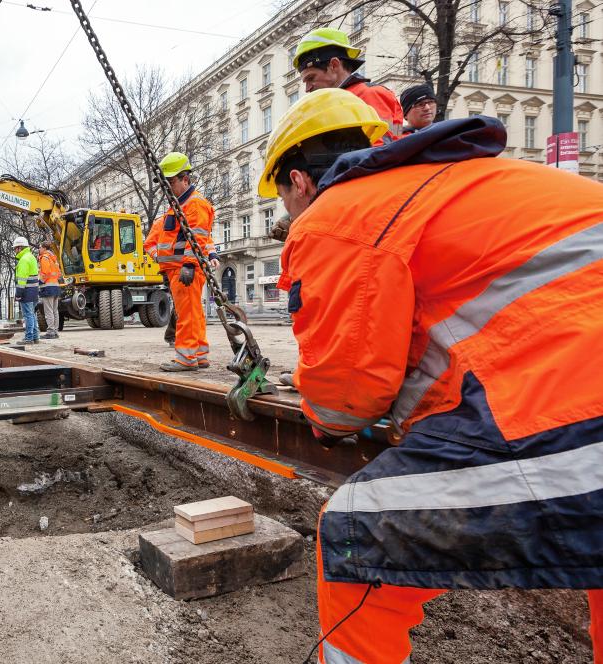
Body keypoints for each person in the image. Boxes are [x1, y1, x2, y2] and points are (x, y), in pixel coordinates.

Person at [258, 87, 603, 663]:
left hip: (569, 401)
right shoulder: (466, 182)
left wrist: (326, 413)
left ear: (298, 182)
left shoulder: (336, 216)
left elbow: (345, 401)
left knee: (353, 534)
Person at [143, 152, 218, 372]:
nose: (167, 188)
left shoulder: (194, 204)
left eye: (171, 182)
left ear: (185, 179)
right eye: (165, 184)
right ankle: (199, 354)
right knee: (193, 312)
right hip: (178, 268)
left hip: (185, 269)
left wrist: (188, 264)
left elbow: (197, 237)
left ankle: (186, 357)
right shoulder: (179, 205)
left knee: (186, 314)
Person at [293, 27, 403, 143]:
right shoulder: (337, 102)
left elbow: (380, 148)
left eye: (311, 78)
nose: (307, 88)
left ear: (334, 65)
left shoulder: (369, 94)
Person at [12, 236, 40, 344]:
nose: (15, 250)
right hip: (34, 291)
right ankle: (35, 337)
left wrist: (18, 294)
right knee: (32, 314)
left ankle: (28, 338)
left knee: (28, 316)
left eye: (15, 248)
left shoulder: (23, 260)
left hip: (26, 292)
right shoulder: (31, 257)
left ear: (20, 248)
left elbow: (22, 280)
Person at [38, 240, 62, 339]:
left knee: (48, 311)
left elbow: (45, 272)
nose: (39, 249)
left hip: (47, 287)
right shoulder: (54, 259)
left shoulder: (44, 257)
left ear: (44, 248)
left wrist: (39, 281)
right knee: (55, 311)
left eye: (40, 247)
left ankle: (51, 332)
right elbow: (59, 274)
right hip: (56, 286)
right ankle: (55, 331)